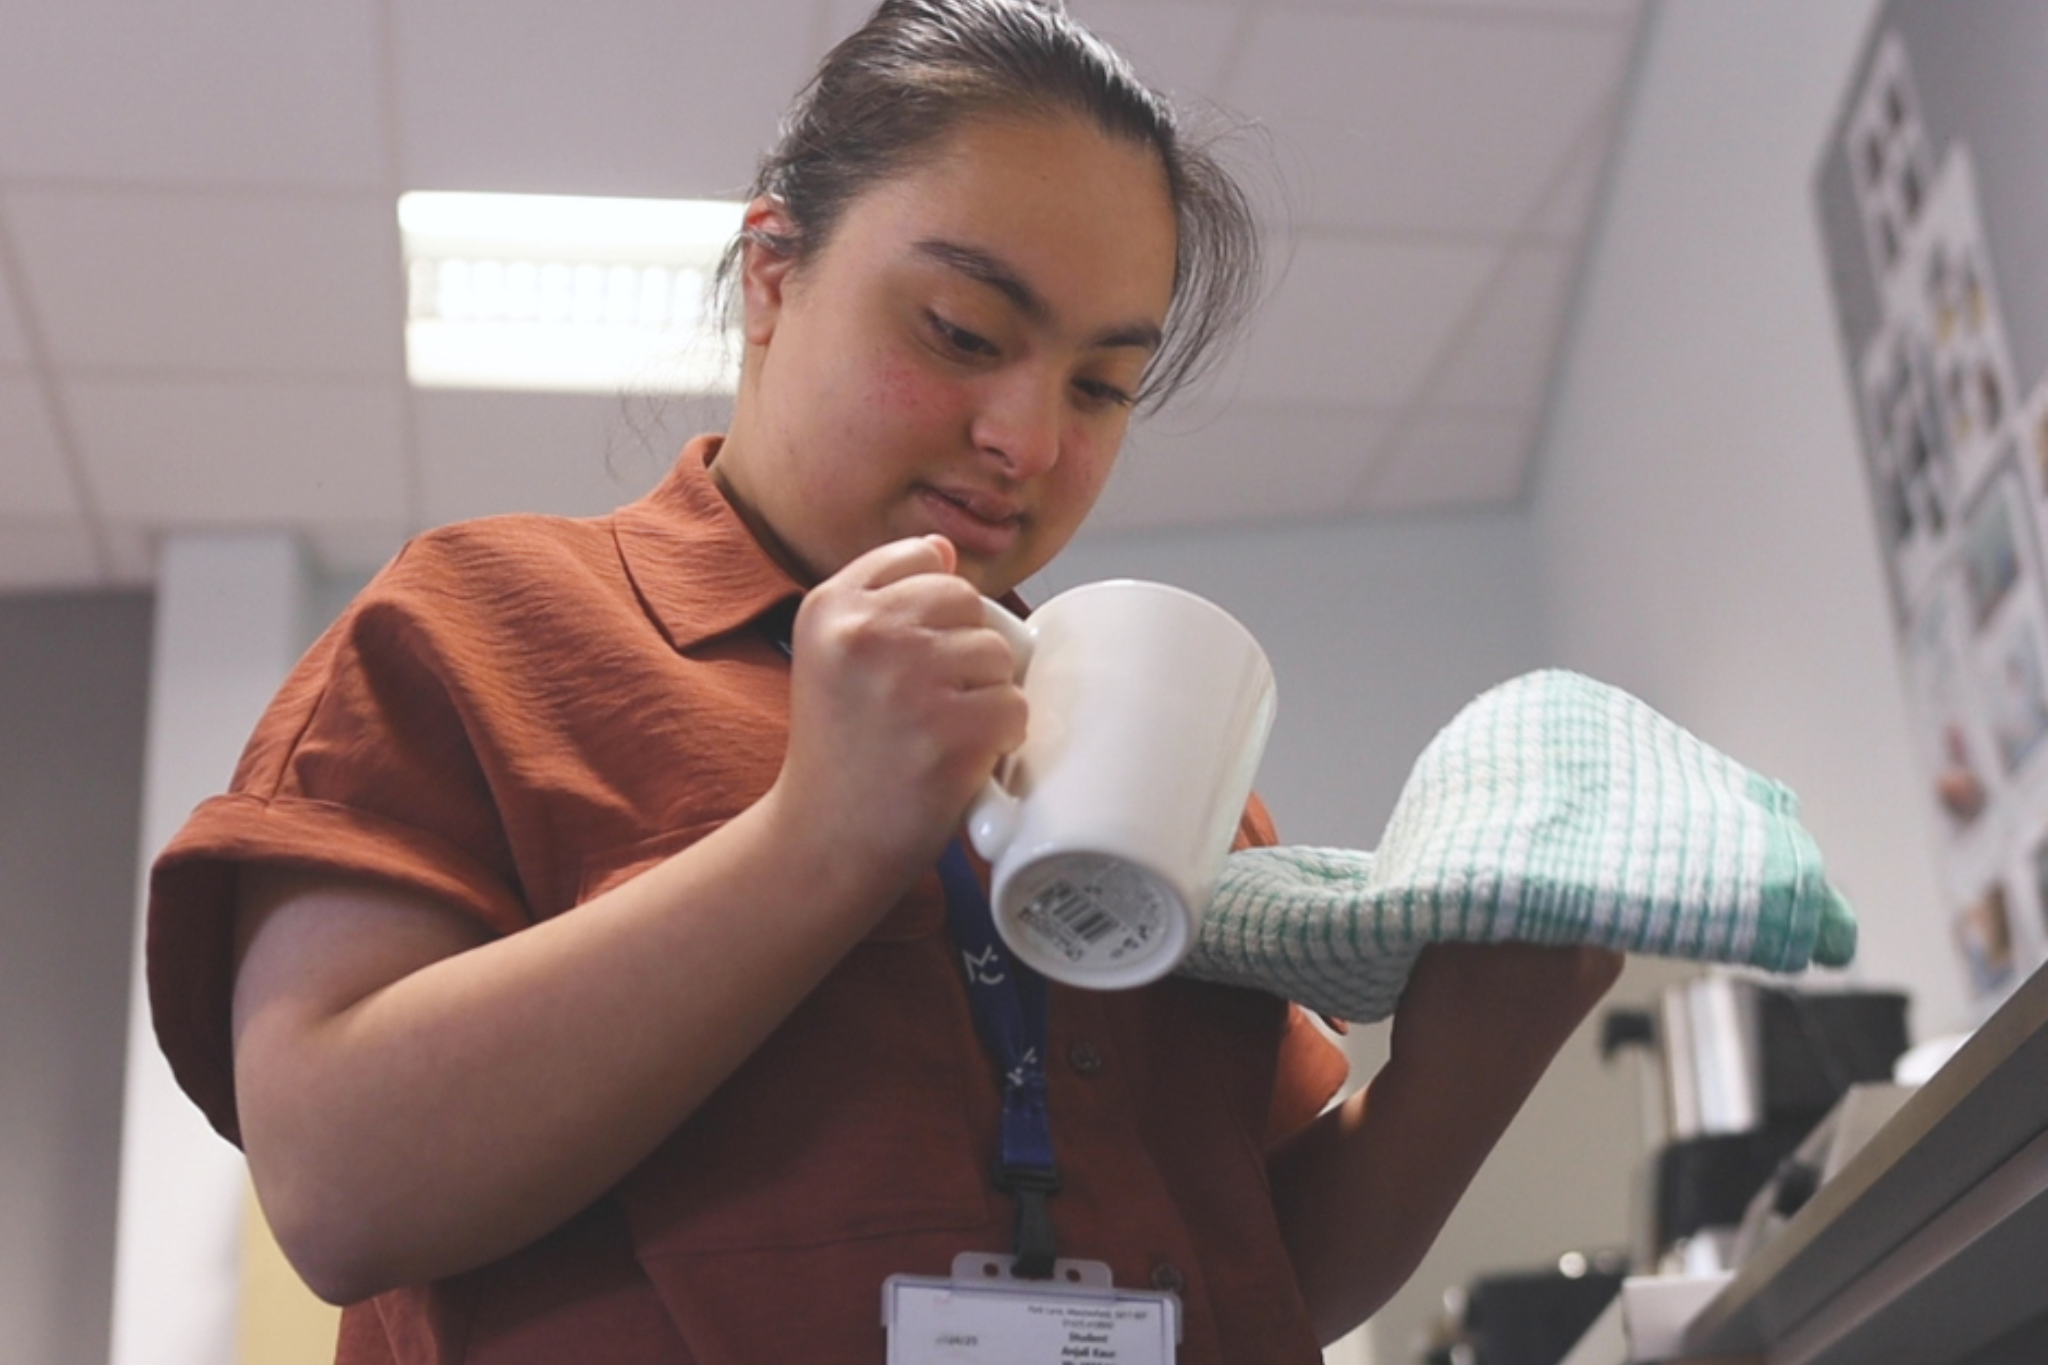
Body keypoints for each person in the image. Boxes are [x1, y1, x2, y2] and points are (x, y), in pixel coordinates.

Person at [147, 2, 1621, 1361]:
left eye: (1102, 385)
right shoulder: (485, 627)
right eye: (965, 335)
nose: (1029, 442)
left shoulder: (1134, 746)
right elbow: (338, 1189)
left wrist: (1470, 1064)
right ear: (775, 274)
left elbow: (1250, 1266)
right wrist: (819, 836)